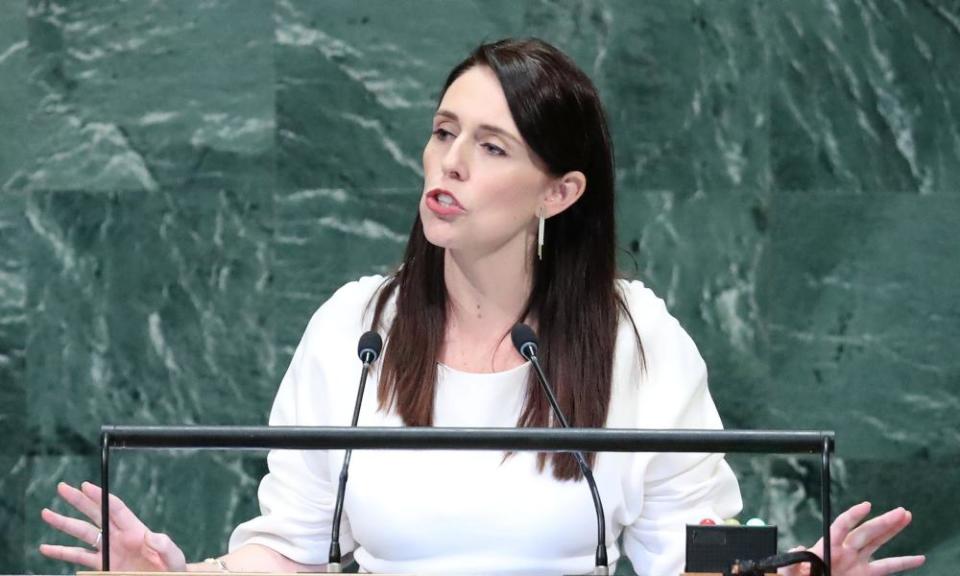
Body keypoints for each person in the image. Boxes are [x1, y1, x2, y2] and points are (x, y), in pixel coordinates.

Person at [39, 38, 924, 576]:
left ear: (560, 191)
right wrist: (182, 569)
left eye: (492, 145)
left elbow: (696, 551)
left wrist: (795, 570)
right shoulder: (355, 330)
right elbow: (289, 550)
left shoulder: (635, 339)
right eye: (443, 131)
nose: (449, 163)